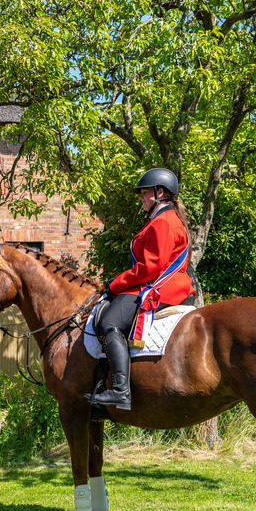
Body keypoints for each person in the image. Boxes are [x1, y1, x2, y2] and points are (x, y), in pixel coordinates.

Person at [87, 168, 196, 410]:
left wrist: (115, 283)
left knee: (109, 322)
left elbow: (151, 266)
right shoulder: (163, 219)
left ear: (160, 193)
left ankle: (120, 391)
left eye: (145, 193)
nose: (141, 198)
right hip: (161, 284)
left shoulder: (164, 222)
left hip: (162, 288)